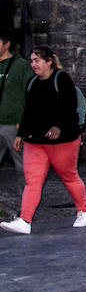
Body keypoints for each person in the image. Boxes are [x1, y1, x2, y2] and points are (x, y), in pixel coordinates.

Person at [0, 46, 86, 234]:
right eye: (31, 60)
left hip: (63, 141)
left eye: (37, 60)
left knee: (69, 176)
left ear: (49, 61)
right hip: (36, 141)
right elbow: (29, 111)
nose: (33, 64)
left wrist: (58, 126)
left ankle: (83, 211)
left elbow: (69, 106)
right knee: (32, 181)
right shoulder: (32, 82)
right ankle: (25, 220)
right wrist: (21, 134)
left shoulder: (61, 79)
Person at [0, 31, 31, 188]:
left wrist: (21, 121)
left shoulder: (21, 66)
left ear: (7, 44)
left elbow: (29, 94)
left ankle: (25, 207)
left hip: (13, 125)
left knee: (22, 168)